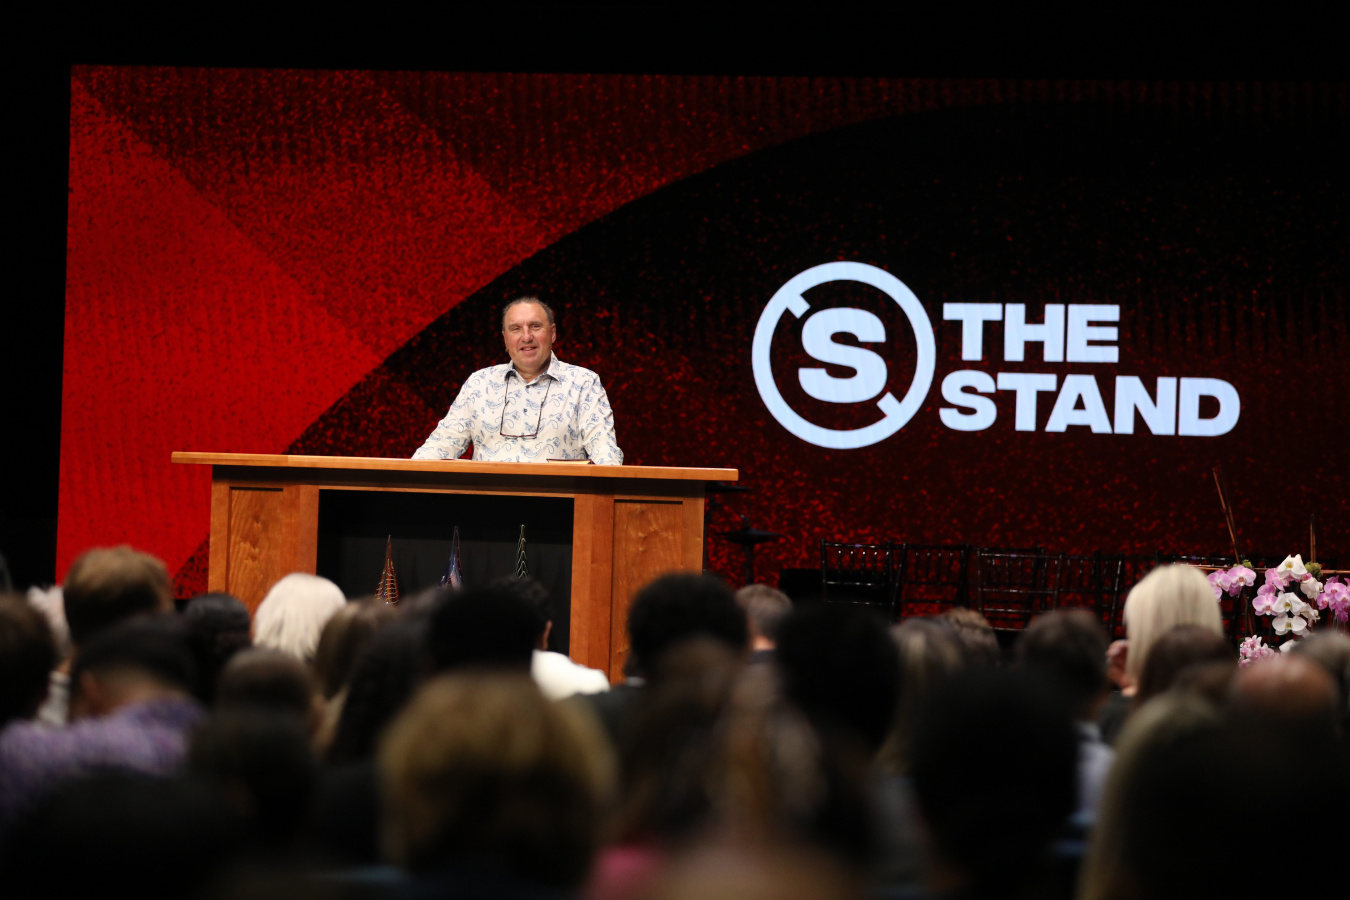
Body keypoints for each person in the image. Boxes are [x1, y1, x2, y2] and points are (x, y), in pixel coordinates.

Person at [411, 296, 624, 464]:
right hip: (487, 502)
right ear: (505, 339)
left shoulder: (583, 383)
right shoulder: (479, 383)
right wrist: (407, 479)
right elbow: (440, 445)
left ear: (553, 333)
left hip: (559, 504)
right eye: (516, 329)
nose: (526, 337)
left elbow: (604, 451)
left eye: (535, 326)